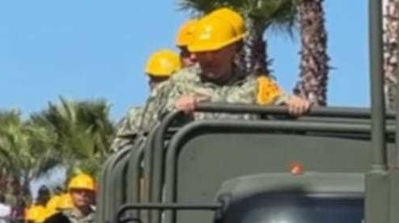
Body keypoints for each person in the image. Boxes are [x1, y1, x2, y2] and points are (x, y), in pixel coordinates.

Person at [117, 16, 312, 149]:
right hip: (186, 180)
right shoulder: (177, 83)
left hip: (240, 179)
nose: (209, 59)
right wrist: (173, 111)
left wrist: (295, 105)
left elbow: (281, 104)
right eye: (202, 53)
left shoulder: (256, 86)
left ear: (234, 49)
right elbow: (143, 127)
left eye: (216, 51)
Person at [110, 48, 184, 150]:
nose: (161, 86)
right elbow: (118, 148)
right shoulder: (135, 116)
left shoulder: (190, 109)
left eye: (165, 80)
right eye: (156, 80)